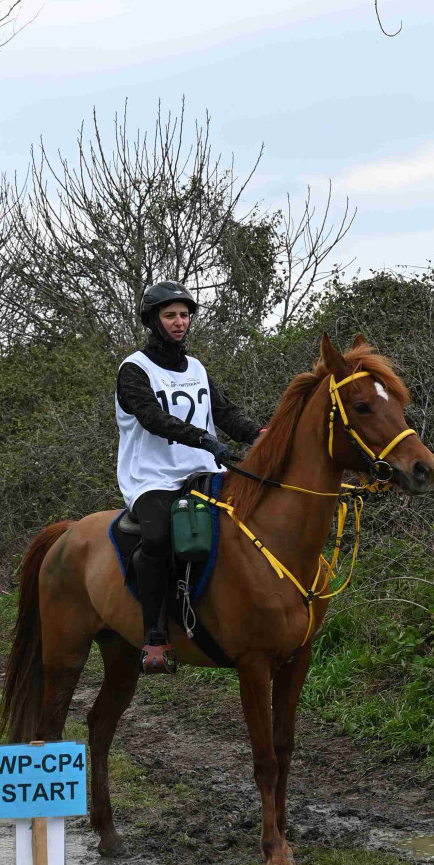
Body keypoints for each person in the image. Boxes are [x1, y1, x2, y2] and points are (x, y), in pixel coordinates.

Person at [116, 281, 260, 674]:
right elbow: (152, 417)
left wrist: (259, 434)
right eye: (170, 316)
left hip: (205, 470)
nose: (180, 323)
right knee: (159, 536)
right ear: (152, 321)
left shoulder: (196, 367)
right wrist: (202, 437)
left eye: (184, 315)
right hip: (153, 478)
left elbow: (225, 412)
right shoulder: (134, 369)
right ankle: (155, 638)